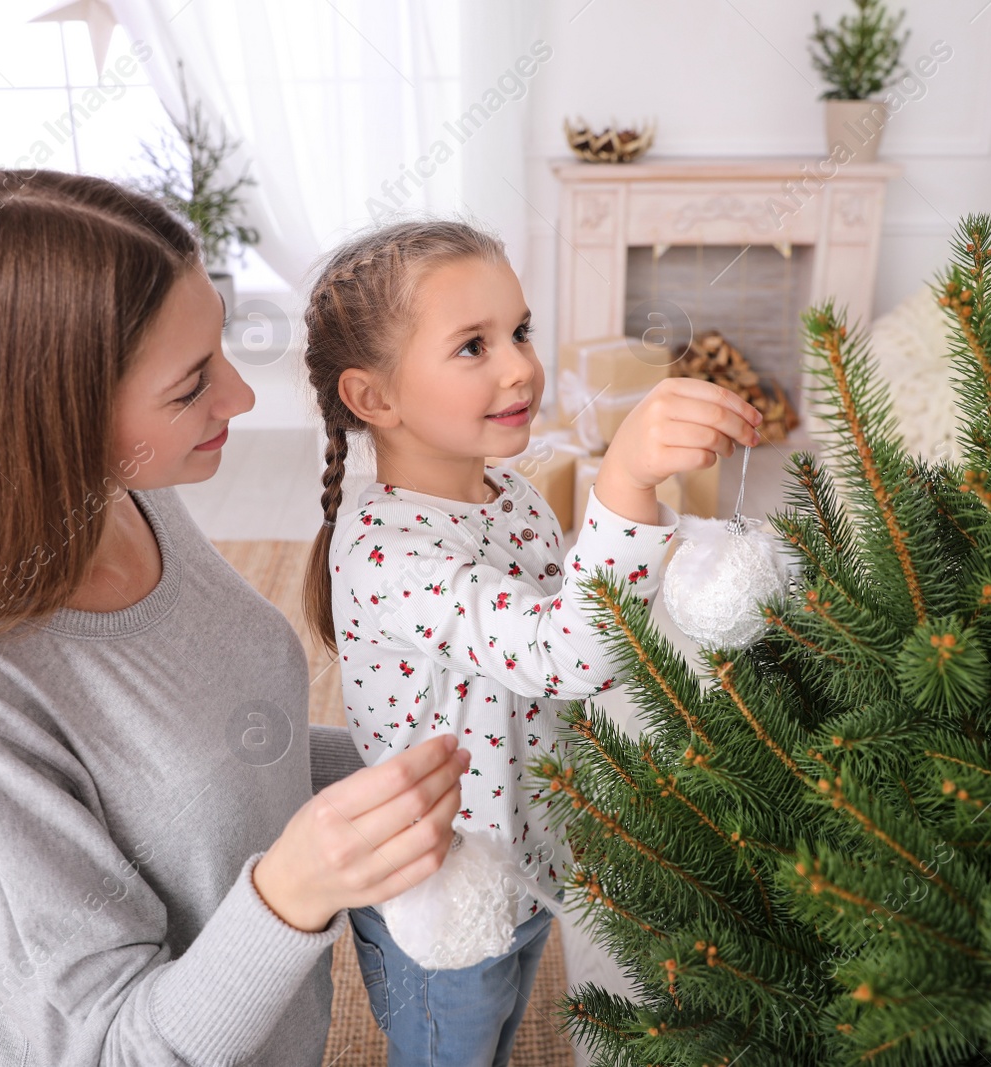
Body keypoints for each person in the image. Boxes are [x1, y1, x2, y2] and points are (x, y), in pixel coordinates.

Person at [0, 170, 471, 1067]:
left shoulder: (128, 499)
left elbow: (226, 759)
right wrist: (295, 886)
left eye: (220, 347)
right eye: (190, 386)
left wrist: (450, 759)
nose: (241, 398)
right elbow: (107, 1050)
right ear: (52, 418)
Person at [299, 219, 763, 1066]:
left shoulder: (510, 493)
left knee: (500, 1033)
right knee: (453, 1045)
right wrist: (623, 480)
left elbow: (580, 614)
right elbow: (563, 653)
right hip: (441, 890)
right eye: (472, 346)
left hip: (531, 852)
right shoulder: (385, 550)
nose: (518, 365)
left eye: (518, 332)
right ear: (374, 399)